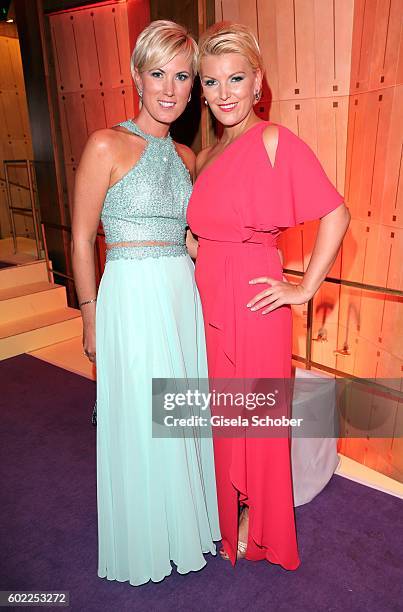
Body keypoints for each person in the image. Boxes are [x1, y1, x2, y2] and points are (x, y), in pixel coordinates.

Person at [187, 21, 350, 568]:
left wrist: (304, 288)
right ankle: (228, 507)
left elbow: (336, 212)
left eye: (236, 79)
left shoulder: (275, 140)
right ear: (202, 91)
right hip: (208, 302)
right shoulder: (204, 158)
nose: (225, 93)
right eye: (212, 82)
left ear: (258, 83)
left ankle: (260, 517)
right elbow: (199, 236)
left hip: (257, 304)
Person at [71, 20, 220, 587]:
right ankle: (149, 534)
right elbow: (83, 238)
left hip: (180, 291)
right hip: (130, 297)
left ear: (192, 89)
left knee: (179, 409)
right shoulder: (105, 143)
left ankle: (186, 521)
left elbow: (188, 238)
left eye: (182, 76)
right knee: (142, 413)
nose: (169, 87)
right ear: (137, 76)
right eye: (158, 73)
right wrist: (90, 316)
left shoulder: (185, 157)